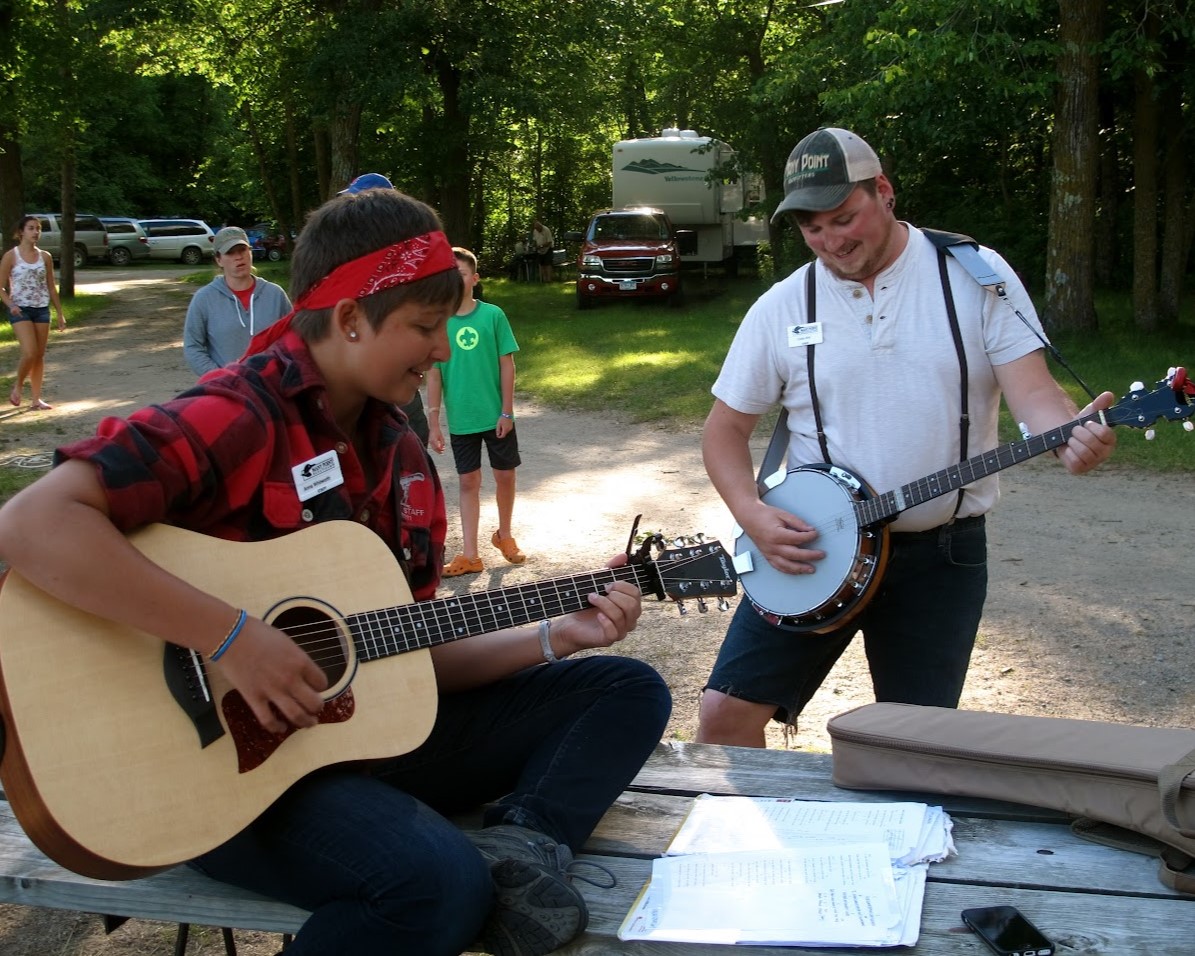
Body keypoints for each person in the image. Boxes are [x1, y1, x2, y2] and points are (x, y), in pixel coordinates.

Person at [0, 188, 672, 956]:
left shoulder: (406, 460)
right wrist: (233, 640)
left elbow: (408, 652)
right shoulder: (235, 414)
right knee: (433, 884)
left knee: (623, 688)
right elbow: (31, 524)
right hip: (215, 773)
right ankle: (467, 872)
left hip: (341, 747)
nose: (444, 350)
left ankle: (521, 848)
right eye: (424, 327)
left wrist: (555, 636)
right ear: (350, 317)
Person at [696, 127, 1117, 748]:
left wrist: (1068, 435)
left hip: (940, 556)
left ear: (884, 193)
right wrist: (752, 513)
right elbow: (723, 432)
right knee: (724, 718)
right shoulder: (783, 306)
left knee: (913, 748)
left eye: (845, 218)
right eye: (813, 228)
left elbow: (1036, 392)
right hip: (814, 550)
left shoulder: (973, 275)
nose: (833, 241)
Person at [427, 247, 526, 577]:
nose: (456, 279)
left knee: (505, 475)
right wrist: (433, 421)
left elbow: (506, 364)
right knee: (468, 482)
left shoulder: (493, 315)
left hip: (495, 415)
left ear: (475, 279)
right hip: (462, 420)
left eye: (462, 273)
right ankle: (470, 554)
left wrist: (507, 412)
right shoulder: (438, 321)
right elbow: (434, 373)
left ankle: (505, 535)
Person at [340, 171, 429, 444]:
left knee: (407, 456)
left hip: (395, 388)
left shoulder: (409, 260)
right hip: (362, 387)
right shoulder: (353, 258)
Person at [182, 226, 291, 376]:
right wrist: (219, 377)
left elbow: (293, 339)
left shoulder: (275, 294)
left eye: (242, 250)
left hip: (272, 387)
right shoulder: (204, 299)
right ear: (218, 260)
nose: (238, 257)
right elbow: (193, 347)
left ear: (250, 252)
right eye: (230, 253)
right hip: (227, 389)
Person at [1, 215, 66, 409]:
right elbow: (1, 287)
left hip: (41, 310)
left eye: (38, 228)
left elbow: (51, 287)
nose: (36, 232)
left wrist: (60, 313)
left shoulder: (45, 256)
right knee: (29, 352)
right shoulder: (11, 256)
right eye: (31, 228)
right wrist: (10, 304)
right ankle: (18, 386)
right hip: (20, 310)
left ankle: (36, 399)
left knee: (38, 355)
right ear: (21, 231)